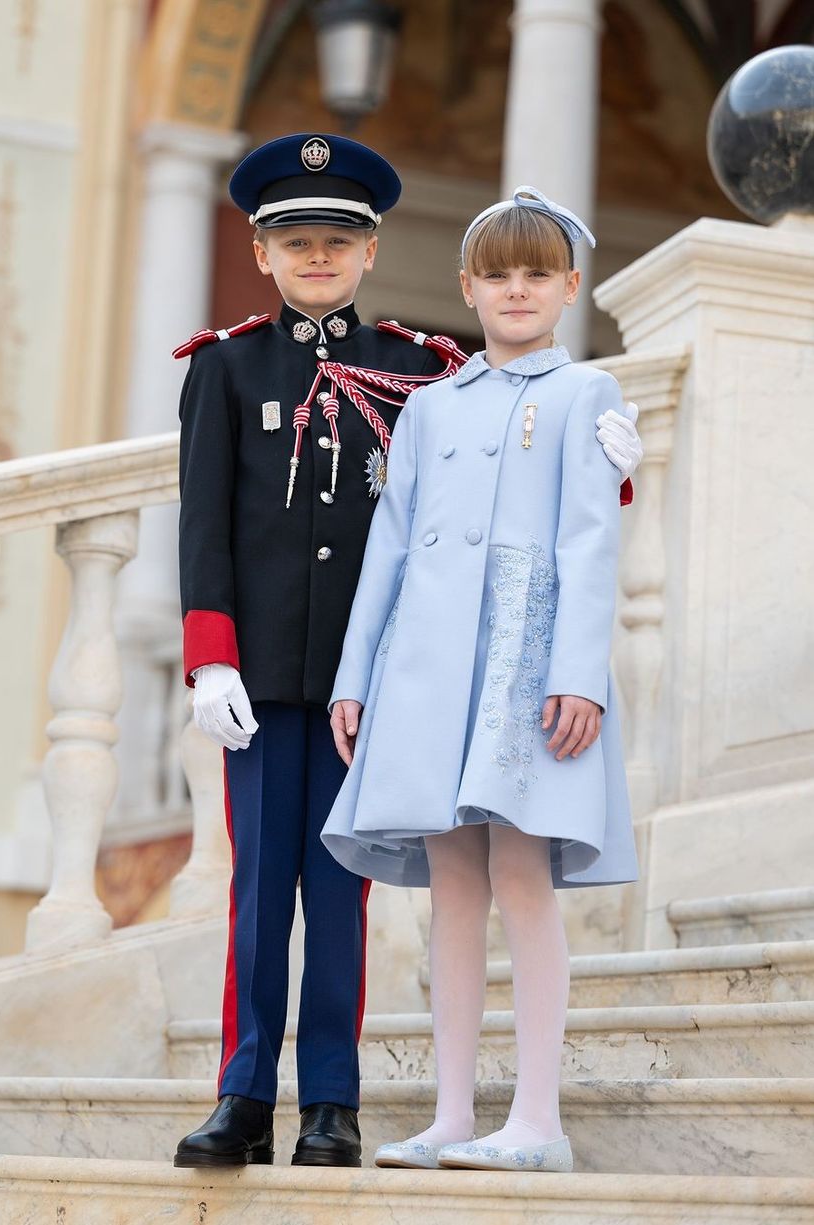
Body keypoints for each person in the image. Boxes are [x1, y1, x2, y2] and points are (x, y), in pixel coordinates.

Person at [173, 137, 644, 1171]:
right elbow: (205, 522)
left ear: (372, 249)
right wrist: (210, 657)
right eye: (294, 240)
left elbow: (547, 504)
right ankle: (244, 1092)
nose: (316, 257)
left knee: (343, 892)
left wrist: (616, 477)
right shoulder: (227, 365)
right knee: (259, 891)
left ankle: (331, 1104)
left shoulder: (415, 367)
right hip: (279, 678)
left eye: (335, 240)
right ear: (261, 251)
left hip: (405, 681)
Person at [322, 187, 639, 1175]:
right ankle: (451, 1113)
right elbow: (386, 546)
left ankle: (536, 1118)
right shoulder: (424, 406)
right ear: (466, 285)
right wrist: (356, 675)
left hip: (522, 665)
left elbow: (590, 542)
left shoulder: (585, 395)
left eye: (534, 273)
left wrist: (577, 675)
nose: (514, 289)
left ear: (568, 287)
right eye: (495, 273)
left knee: (519, 876)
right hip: (426, 666)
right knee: (448, 887)